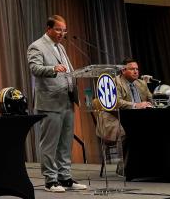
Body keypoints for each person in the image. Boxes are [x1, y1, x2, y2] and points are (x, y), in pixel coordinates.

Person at [27, 15, 88, 193]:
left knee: (65, 142)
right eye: (59, 29)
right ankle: (50, 180)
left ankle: (65, 177)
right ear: (49, 29)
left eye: (64, 30)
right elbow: (34, 68)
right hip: (50, 102)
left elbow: (67, 71)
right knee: (49, 144)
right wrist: (53, 69)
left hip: (66, 100)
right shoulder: (37, 46)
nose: (62, 33)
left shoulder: (60, 47)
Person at [95, 58, 153, 144]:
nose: (136, 71)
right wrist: (136, 105)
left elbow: (151, 99)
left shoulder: (141, 83)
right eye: (132, 69)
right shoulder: (114, 82)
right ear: (123, 70)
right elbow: (116, 102)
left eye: (137, 69)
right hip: (117, 118)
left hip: (138, 119)